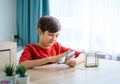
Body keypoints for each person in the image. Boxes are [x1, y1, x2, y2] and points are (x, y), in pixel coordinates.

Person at [19, 16, 85, 68]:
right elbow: (22, 64)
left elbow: (82, 54)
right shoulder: (31, 48)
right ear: (40, 32)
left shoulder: (57, 46)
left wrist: (75, 61)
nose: (54, 39)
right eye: (50, 35)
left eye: (56, 35)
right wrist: (50, 59)